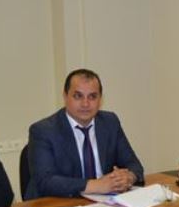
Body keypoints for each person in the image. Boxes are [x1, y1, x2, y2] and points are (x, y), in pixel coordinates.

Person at [26, 68, 144, 199]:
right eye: (78, 96)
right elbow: (45, 181)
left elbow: (134, 165)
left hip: (104, 202)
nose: (85, 104)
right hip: (57, 204)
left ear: (100, 99)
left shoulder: (110, 122)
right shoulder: (43, 130)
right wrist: (96, 185)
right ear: (65, 96)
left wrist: (128, 177)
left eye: (92, 97)